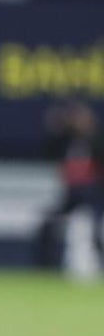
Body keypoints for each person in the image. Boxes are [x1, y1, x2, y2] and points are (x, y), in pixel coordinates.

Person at [33, 101, 104, 271]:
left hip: (96, 194)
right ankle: (46, 267)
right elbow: (47, 152)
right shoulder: (67, 140)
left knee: (96, 229)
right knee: (48, 223)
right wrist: (56, 129)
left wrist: (89, 132)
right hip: (73, 194)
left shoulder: (97, 138)